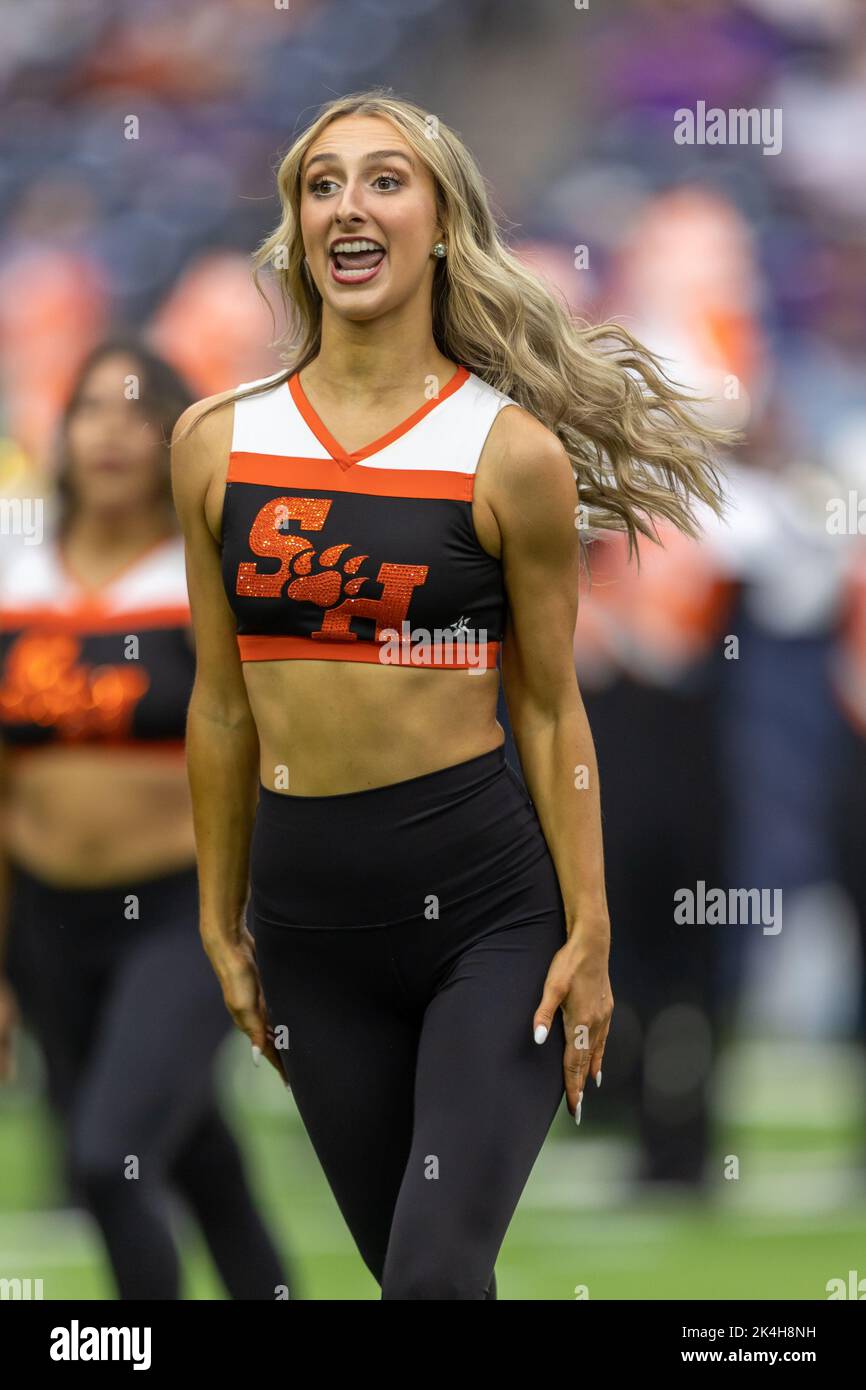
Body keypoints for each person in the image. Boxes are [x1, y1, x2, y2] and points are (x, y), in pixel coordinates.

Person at [171, 90, 736, 1300]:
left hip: (486, 915)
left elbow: (546, 711)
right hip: (307, 925)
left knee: (429, 1277)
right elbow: (221, 706)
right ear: (297, 225)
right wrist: (220, 920)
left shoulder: (507, 451)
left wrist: (587, 929)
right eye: (322, 183)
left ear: (439, 223)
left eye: (384, 179)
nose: (348, 205)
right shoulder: (215, 442)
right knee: (421, 1285)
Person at [0, 340, 291, 1300]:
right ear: (62, 429)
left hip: (182, 913)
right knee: (193, 1151)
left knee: (106, 1157)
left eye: (139, 413)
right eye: (91, 409)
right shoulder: (15, 570)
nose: (113, 433)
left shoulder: (210, 574)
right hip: (46, 918)